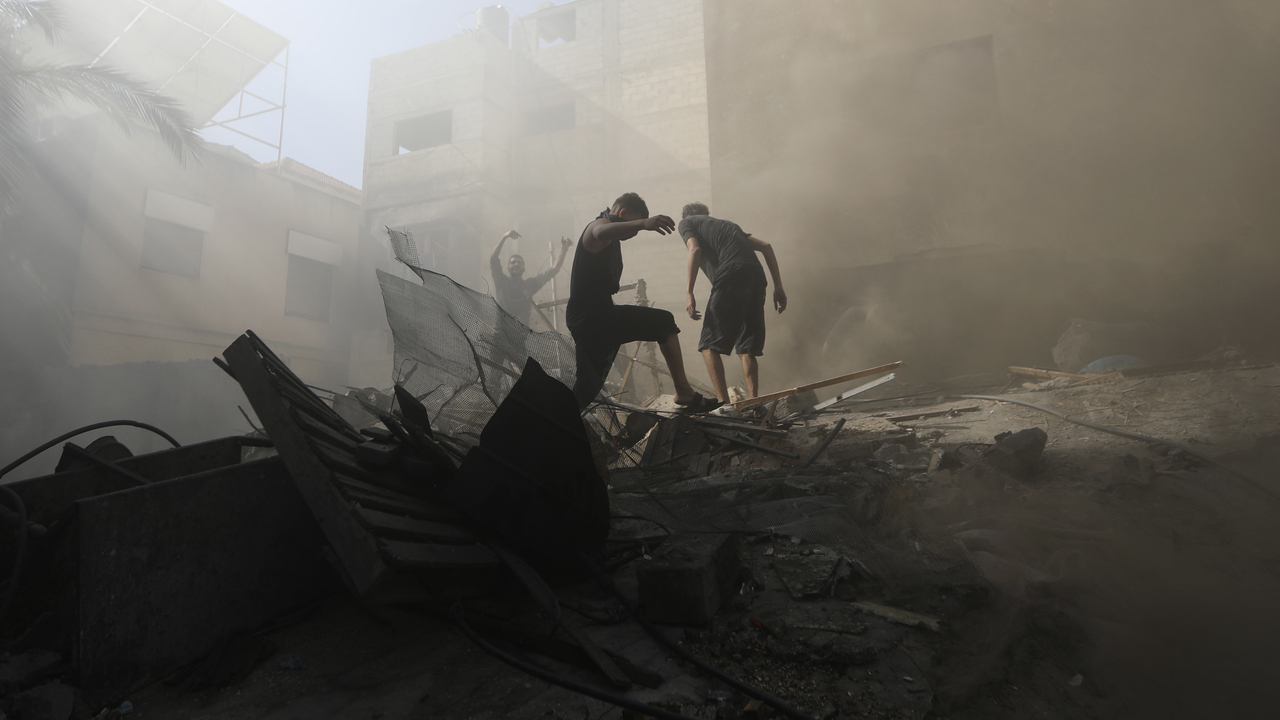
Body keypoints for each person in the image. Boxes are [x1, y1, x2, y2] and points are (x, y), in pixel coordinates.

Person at [566, 192, 718, 411]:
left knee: (663, 322)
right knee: (584, 391)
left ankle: (684, 391)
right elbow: (600, 232)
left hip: (603, 316)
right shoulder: (598, 225)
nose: (633, 234)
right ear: (623, 213)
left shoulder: (610, 232)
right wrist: (644, 224)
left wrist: (639, 224)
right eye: (633, 226)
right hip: (590, 320)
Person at [679, 202, 787, 403]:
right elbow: (766, 246)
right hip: (756, 277)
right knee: (746, 346)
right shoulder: (728, 226)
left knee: (708, 344)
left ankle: (724, 403)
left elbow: (695, 250)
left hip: (732, 275)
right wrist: (778, 286)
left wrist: (689, 292)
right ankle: (754, 401)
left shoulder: (687, 223)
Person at [490, 229, 571, 327]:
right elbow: (493, 259)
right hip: (501, 332)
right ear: (508, 268)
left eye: (519, 263)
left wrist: (564, 248)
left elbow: (553, 270)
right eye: (513, 262)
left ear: (524, 268)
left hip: (521, 333)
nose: (516, 264)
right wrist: (504, 237)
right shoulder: (501, 282)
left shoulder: (530, 285)